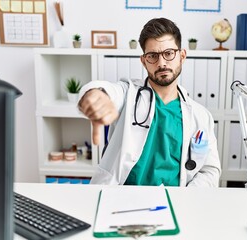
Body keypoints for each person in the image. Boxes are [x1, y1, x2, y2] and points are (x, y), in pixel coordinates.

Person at [78, 18, 221, 187]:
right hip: (121, 200)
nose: (161, 63)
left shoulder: (201, 116)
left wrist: (187, 197)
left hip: (174, 202)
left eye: (169, 53)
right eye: (153, 56)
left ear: (182, 56)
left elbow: (210, 170)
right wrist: (95, 93)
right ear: (144, 60)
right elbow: (109, 91)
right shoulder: (128, 94)